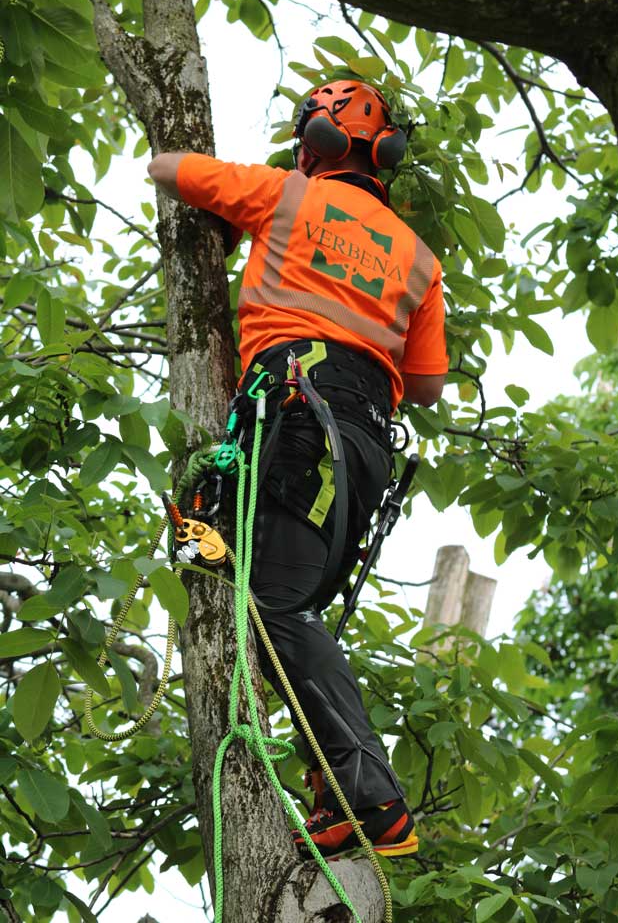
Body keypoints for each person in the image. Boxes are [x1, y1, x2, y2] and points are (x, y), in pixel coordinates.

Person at [148, 80, 448, 859]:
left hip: (297, 411)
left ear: (317, 139)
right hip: (363, 443)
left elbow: (166, 166)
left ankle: (372, 796)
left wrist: (241, 217)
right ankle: (338, 791)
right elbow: (425, 385)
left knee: (277, 604)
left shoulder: (285, 197)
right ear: (385, 158)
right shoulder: (418, 260)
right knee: (262, 581)